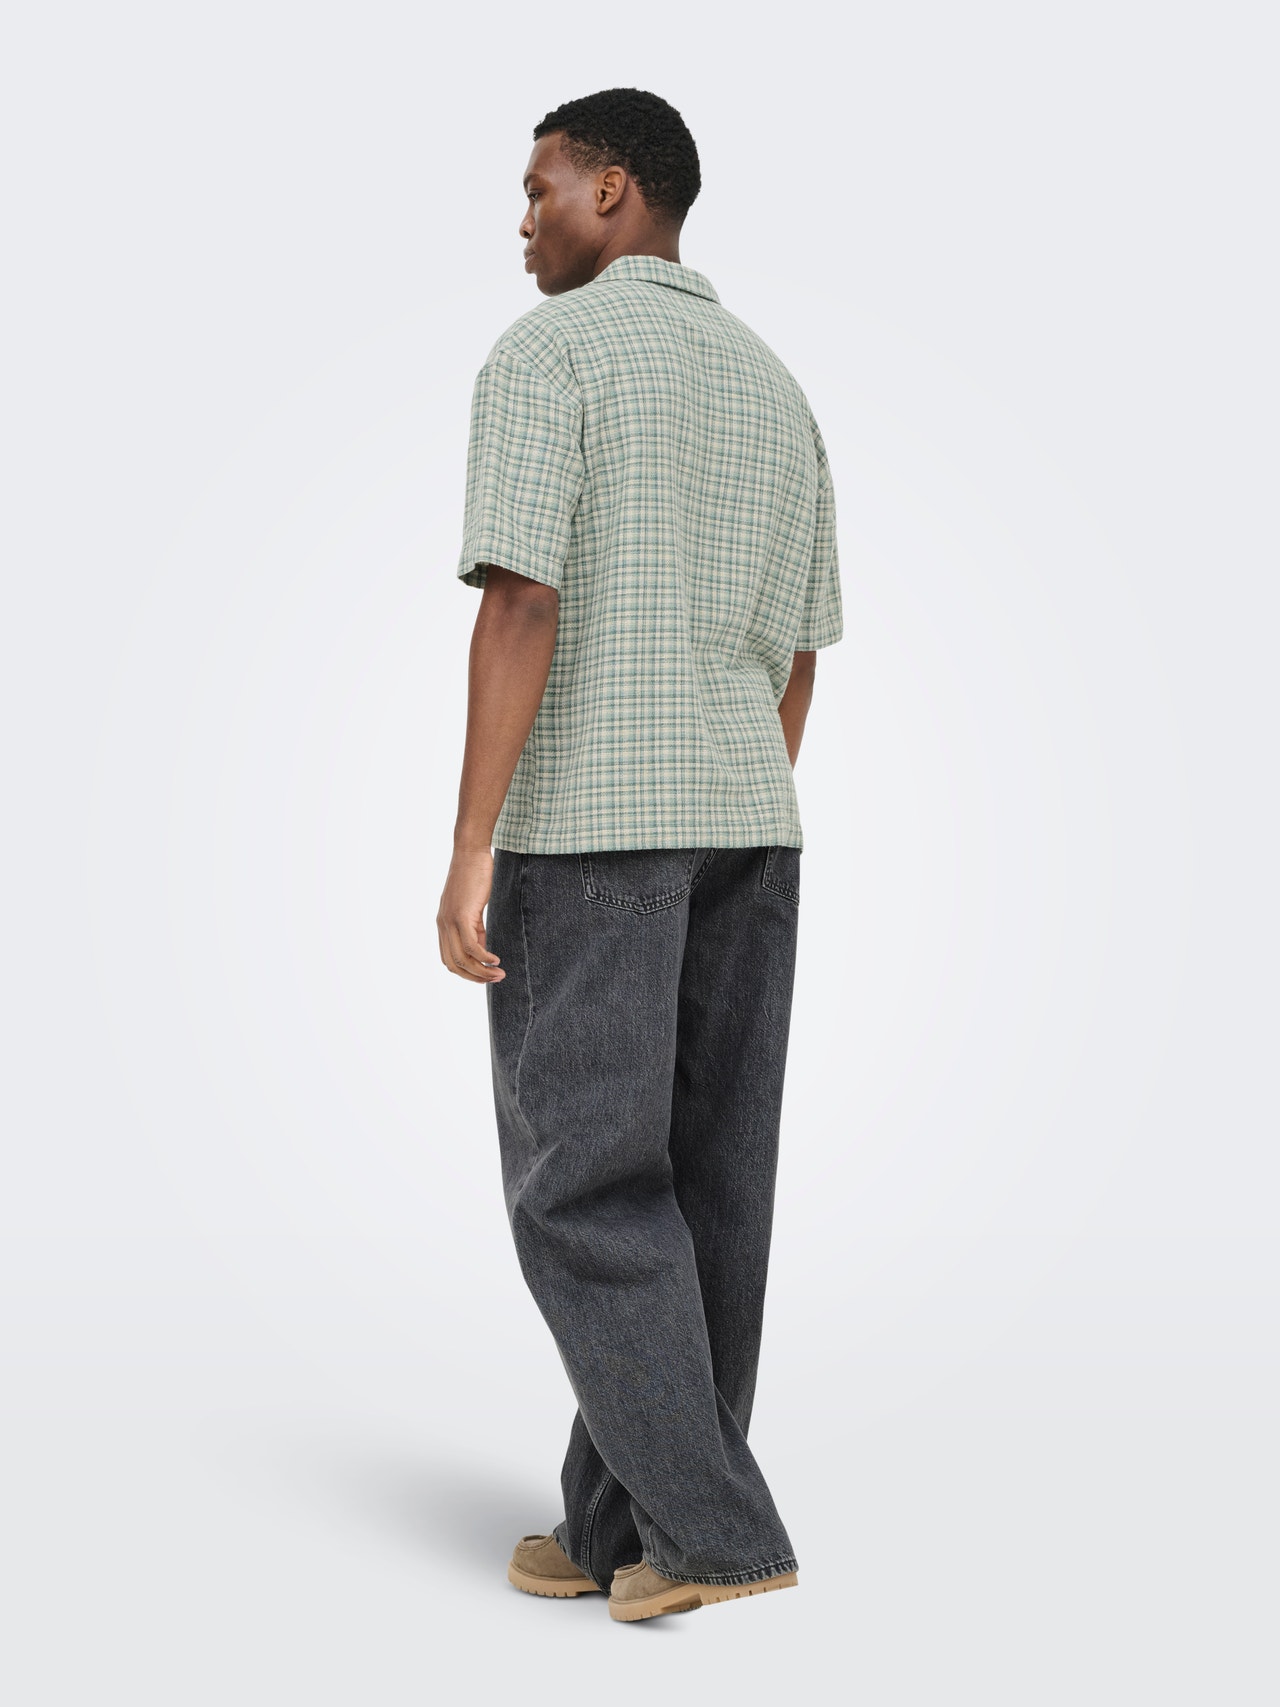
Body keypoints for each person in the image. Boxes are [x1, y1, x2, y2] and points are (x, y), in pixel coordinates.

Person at [436, 87, 843, 1623]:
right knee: (707, 1182)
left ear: (614, 189)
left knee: (585, 1187)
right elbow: (800, 653)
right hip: (751, 826)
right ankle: (619, 1517)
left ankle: (719, 1531)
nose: (523, 219)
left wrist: (470, 844)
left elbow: (521, 602)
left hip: (596, 835)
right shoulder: (774, 383)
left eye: (540, 187)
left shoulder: (547, 355)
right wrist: (733, 799)